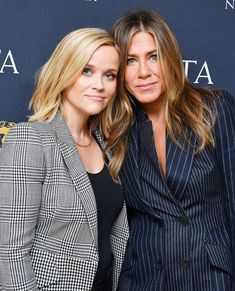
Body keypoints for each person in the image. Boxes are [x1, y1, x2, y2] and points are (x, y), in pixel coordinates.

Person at [111, 9, 235, 291]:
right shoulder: (119, 130)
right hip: (145, 280)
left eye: (153, 56)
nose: (144, 72)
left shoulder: (213, 109)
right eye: (131, 61)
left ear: (170, 58)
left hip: (210, 277)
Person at [0, 27, 131, 290]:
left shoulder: (111, 147)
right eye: (87, 70)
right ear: (64, 71)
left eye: (110, 75)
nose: (99, 85)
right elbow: (10, 253)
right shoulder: (31, 139)